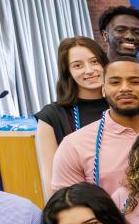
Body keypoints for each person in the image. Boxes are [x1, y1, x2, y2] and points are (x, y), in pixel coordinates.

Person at [52, 57, 139, 195]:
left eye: (135, 82)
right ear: (103, 90)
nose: (125, 88)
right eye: (115, 82)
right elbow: (68, 208)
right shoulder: (74, 145)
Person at [35, 36, 109, 187]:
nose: (89, 70)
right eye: (77, 65)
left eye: (94, 61)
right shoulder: (52, 116)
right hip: (81, 203)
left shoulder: (125, 104)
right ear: (67, 72)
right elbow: (50, 180)